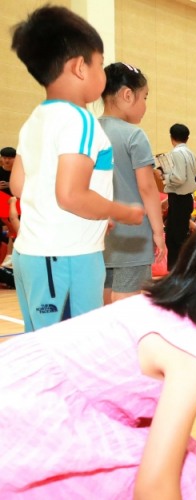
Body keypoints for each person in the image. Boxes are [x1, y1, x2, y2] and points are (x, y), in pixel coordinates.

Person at [0, 198, 196, 498]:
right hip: (24, 413)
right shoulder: (195, 349)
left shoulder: (161, 307)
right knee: (184, 478)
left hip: (25, 388)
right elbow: (154, 486)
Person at [9, 6, 144, 332]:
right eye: (100, 62)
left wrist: (92, 216)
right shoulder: (80, 121)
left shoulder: (35, 120)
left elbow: (20, 185)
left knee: (43, 345)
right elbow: (70, 194)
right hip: (67, 260)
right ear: (80, 67)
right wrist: (121, 211)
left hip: (33, 256)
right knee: (71, 348)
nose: (102, 72)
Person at [99, 62, 166, 303]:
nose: (145, 105)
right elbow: (147, 188)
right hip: (133, 235)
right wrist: (158, 232)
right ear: (128, 95)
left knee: (104, 301)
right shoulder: (134, 135)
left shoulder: (91, 130)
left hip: (99, 234)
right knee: (128, 306)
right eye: (144, 97)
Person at [158, 123, 196, 270]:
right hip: (186, 199)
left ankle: (175, 272)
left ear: (171, 137)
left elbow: (179, 178)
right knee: (180, 237)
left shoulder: (176, 153)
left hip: (179, 199)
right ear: (187, 137)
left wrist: (164, 176)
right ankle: (181, 271)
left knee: (174, 239)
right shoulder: (191, 153)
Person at [0, 147, 17, 268]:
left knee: (14, 232)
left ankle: (11, 257)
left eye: (10, 158)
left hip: (15, 206)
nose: (6, 160)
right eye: (4, 158)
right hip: (2, 205)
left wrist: (11, 185)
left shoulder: (18, 173)